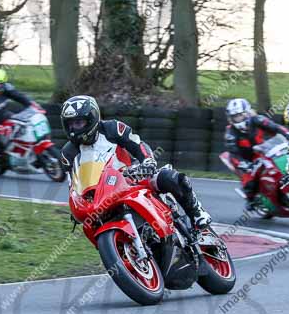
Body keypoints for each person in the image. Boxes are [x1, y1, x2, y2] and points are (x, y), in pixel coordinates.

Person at [59, 95, 212, 229]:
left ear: (92, 118)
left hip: (132, 177)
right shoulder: (68, 153)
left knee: (169, 177)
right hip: (102, 196)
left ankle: (196, 212)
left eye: (78, 123)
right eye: (70, 124)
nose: (73, 128)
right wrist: (76, 205)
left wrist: (147, 162)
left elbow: (137, 144)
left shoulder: (112, 128)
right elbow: (73, 184)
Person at [223, 98, 289, 210]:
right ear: (230, 118)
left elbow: (275, 127)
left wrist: (287, 134)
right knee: (249, 181)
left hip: (262, 151)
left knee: (281, 165)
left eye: (240, 115)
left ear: (247, 113)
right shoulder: (230, 134)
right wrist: (243, 164)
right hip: (245, 159)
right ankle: (250, 199)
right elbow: (234, 154)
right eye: (235, 116)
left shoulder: (257, 120)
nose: (238, 118)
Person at [0, 67, 42, 155]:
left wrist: (31, 104)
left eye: (2, 83)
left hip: (4, 116)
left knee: (22, 129)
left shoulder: (6, 88)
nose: (0, 86)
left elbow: (18, 96)